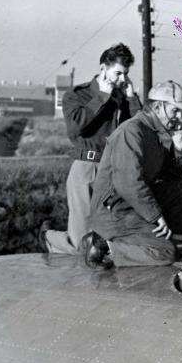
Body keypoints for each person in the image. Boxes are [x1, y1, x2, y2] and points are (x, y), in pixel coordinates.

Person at [83, 80, 182, 269]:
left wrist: (178, 144)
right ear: (158, 107)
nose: (179, 117)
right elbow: (129, 183)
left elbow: (171, 177)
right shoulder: (131, 131)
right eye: (175, 110)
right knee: (165, 254)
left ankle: (168, 242)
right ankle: (102, 245)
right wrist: (155, 215)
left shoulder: (150, 133)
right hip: (115, 211)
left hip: (131, 205)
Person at [41, 43, 141, 254]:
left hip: (114, 170)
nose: (122, 79)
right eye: (118, 73)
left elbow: (138, 128)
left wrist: (132, 99)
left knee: (107, 240)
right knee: (82, 243)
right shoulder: (77, 95)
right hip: (87, 167)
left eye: (126, 74)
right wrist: (102, 97)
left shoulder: (122, 98)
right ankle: (50, 238)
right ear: (103, 68)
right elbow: (76, 127)